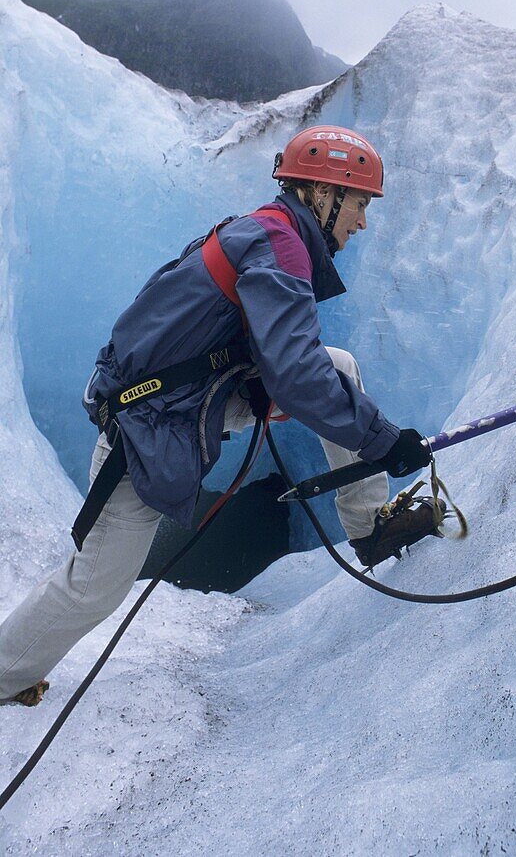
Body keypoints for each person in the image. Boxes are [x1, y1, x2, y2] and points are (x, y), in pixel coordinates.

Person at [0, 126, 442, 708]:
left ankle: (367, 525)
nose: (361, 221)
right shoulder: (279, 244)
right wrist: (383, 441)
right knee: (97, 584)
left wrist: (259, 385)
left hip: (180, 405)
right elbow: (298, 376)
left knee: (340, 366)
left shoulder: (262, 231)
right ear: (321, 194)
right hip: (148, 428)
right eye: (359, 203)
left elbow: (272, 357)